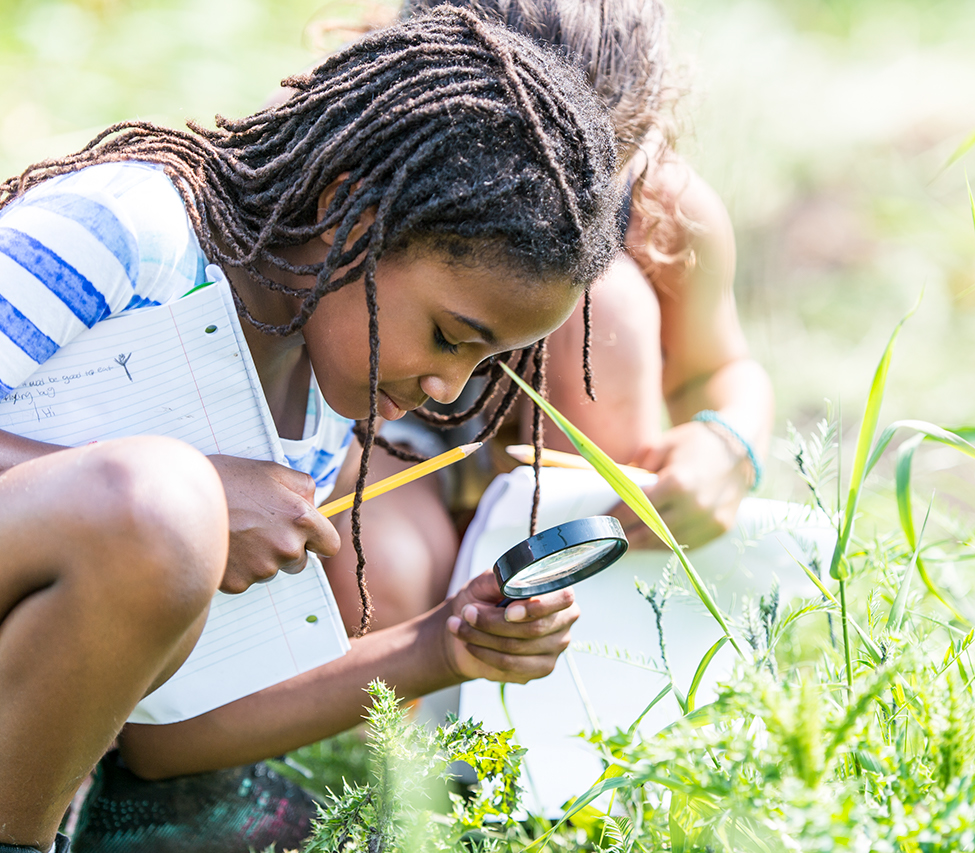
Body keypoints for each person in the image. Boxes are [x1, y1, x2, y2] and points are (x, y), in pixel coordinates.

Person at [0, 8, 621, 852]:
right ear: (351, 212)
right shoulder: (133, 230)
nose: (449, 385)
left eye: (486, 364)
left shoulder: (322, 406)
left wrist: (443, 644)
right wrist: (191, 495)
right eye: (449, 335)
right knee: (162, 501)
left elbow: (158, 736)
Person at [322, 0, 776, 634]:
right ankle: (408, 710)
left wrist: (727, 445)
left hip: (559, 456)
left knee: (606, 307)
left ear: (637, 141)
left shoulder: (662, 208)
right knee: (382, 573)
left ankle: (589, 652)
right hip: (384, 434)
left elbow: (719, 367)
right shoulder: (352, 153)